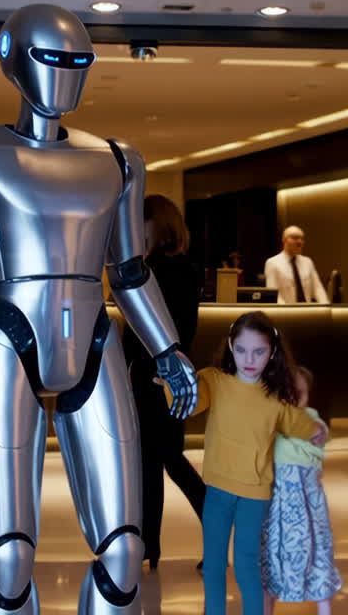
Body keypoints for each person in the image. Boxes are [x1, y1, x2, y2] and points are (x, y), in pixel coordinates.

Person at [168, 311, 326, 615]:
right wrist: (171, 383)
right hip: (217, 488)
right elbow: (189, 401)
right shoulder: (214, 380)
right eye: (241, 350)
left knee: (246, 566)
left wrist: (315, 430)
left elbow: (295, 422)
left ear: (273, 352)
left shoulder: (274, 397)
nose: (249, 359)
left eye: (259, 351)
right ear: (230, 346)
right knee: (213, 565)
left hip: (255, 495)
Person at [121, 195, 207, 570]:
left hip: (159, 377)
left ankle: (214, 529)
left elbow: (174, 327)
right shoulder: (174, 268)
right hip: (157, 376)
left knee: (167, 459)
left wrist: (160, 366)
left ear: (155, 225)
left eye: (140, 224)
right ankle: (148, 544)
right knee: (154, 461)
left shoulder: (163, 270)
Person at [262, 367, 341, 615]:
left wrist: (317, 433)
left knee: (317, 552)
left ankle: (323, 607)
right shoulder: (271, 419)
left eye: (301, 393)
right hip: (277, 503)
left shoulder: (310, 419)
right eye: (288, 393)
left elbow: (319, 436)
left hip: (307, 502)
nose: (295, 399)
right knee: (271, 556)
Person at [264, 226, 330, 304]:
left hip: (307, 308)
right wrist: (286, 309)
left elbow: (318, 289)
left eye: (302, 239)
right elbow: (274, 295)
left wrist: (326, 306)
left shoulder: (307, 262)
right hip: (285, 309)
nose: (300, 242)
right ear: (284, 240)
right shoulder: (272, 263)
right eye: (295, 238)